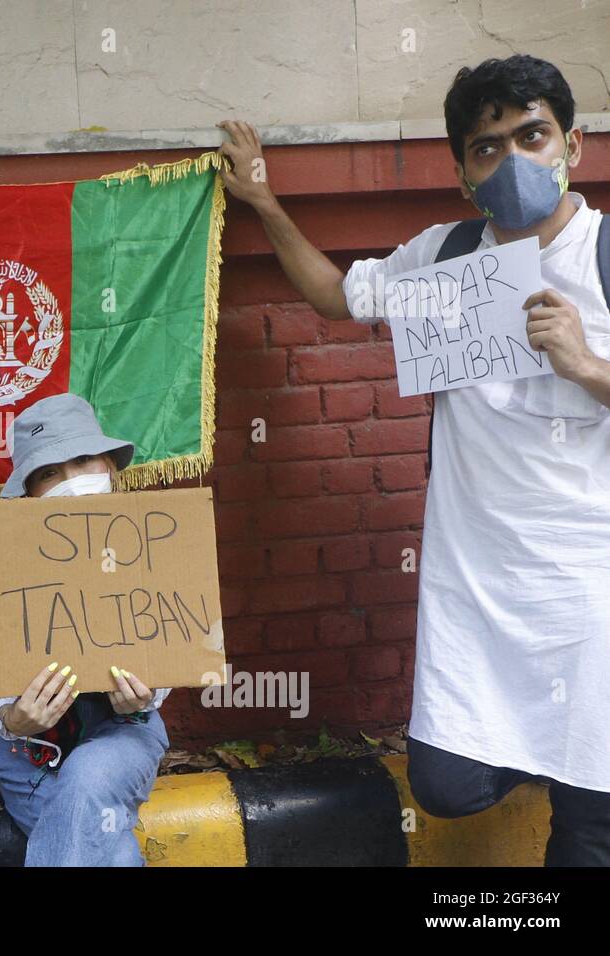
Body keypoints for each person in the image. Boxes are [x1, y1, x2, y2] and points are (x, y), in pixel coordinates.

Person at [218, 55, 610, 865]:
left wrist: (587, 366)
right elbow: (337, 296)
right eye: (486, 147)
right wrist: (262, 201)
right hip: (480, 587)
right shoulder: (446, 255)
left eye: (531, 135)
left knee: (591, 821)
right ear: (462, 172)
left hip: (591, 587)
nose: (511, 160)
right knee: (445, 784)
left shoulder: (605, 254)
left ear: (573, 143)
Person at [0, 393, 172, 866]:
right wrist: (13, 718)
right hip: (32, 757)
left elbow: (170, 648)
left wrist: (146, 694)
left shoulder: (151, 535)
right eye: (49, 473)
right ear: (29, 491)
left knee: (88, 774)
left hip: (123, 737)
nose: (69, 481)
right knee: (115, 856)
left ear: (107, 465)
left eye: (82, 461)